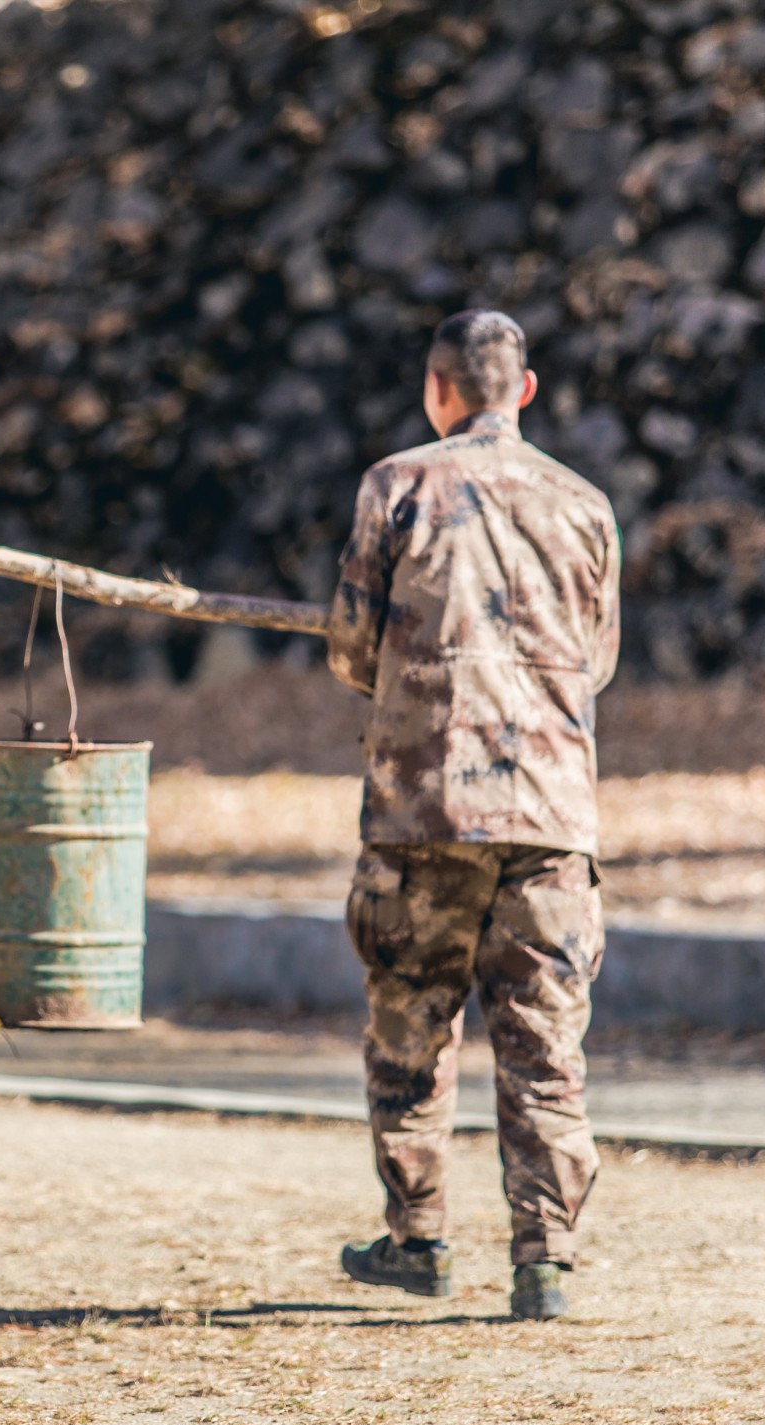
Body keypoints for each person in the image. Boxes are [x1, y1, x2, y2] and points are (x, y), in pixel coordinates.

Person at [324, 310, 621, 1321]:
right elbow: (599, 663)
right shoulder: (586, 506)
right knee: (545, 1045)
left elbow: (352, 652)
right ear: (524, 390)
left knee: (413, 1030)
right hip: (551, 817)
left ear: (436, 388)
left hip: (425, 809)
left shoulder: (397, 486)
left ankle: (419, 1239)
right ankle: (548, 1260)